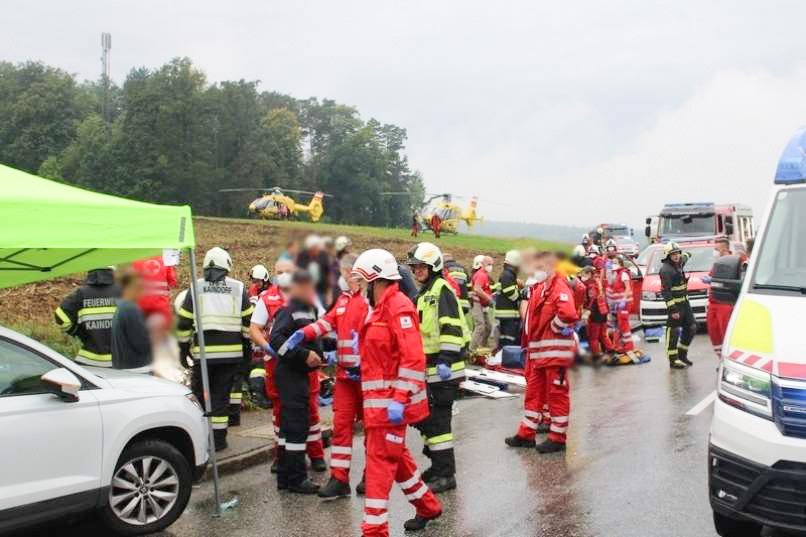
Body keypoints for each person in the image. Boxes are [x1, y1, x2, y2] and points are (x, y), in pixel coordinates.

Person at [351, 248, 443, 535]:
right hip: (379, 407)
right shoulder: (380, 309)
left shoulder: (398, 307)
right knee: (397, 458)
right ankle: (428, 507)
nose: (363, 289)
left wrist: (399, 401)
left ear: (377, 280)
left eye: (365, 283)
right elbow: (383, 356)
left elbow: (413, 359)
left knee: (379, 466)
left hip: (392, 407)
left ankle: (374, 530)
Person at [286, 253, 369, 499]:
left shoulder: (371, 301)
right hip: (345, 377)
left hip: (366, 376)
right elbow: (326, 323)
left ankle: (371, 474)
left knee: (372, 429)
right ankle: (339, 478)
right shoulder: (343, 301)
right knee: (341, 428)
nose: (344, 277)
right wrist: (304, 333)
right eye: (343, 273)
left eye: (347, 273)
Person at [250, 260, 326, 474]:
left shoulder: (308, 297)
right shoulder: (267, 298)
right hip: (278, 363)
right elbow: (254, 329)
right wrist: (267, 347)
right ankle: (281, 455)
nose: (283, 275)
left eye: (287, 272)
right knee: (280, 412)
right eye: (279, 272)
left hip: (304, 363)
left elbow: (321, 326)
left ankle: (316, 454)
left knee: (310, 409)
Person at [407, 242, 469, 493]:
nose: (416, 271)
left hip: (444, 367)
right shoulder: (424, 293)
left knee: (439, 424)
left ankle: (446, 474)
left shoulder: (442, 290)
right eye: (414, 267)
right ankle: (437, 463)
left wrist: (445, 358)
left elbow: (452, 328)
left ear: (432, 265)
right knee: (428, 421)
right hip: (429, 367)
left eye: (421, 266)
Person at [176, 247, 253, 451]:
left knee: (201, 396)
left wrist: (182, 347)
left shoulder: (195, 287)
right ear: (227, 265)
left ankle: (200, 438)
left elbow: (183, 321)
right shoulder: (238, 287)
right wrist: (246, 347)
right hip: (231, 355)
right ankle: (219, 440)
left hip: (204, 355)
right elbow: (248, 321)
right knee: (221, 397)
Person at [506, 251, 578, 453]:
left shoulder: (558, 286)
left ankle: (558, 438)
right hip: (539, 355)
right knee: (533, 393)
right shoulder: (541, 288)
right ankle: (526, 433)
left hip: (555, 353)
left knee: (556, 395)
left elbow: (569, 313)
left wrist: (555, 327)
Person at [270, 270, 325, 494]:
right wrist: (303, 356)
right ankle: (296, 479)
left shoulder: (308, 311)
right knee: (296, 428)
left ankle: (285, 476)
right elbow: (276, 341)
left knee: (290, 428)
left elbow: (315, 340)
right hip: (290, 376)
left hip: (299, 375)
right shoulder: (290, 310)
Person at [54, 266, 119, 368]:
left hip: (88, 362)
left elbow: (61, 317)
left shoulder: (81, 294)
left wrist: (80, 333)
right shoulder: (125, 292)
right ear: (112, 272)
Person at [660, 242, 694, 369]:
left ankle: (682, 355)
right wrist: (672, 309)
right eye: (673, 254)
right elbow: (665, 291)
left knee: (691, 327)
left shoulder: (679, 263)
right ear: (668, 256)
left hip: (685, 303)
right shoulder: (665, 270)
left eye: (677, 253)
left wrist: (688, 254)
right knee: (673, 331)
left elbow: (685, 256)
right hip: (676, 306)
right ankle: (673, 360)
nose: (676, 256)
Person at [705, 237, 740, 358]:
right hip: (713, 303)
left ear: (724, 248)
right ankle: (721, 359)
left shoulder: (735, 262)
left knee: (726, 334)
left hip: (725, 304)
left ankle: (729, 359)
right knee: (714, 334)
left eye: (716, 249)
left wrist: (713, 280)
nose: (714, 252)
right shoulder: (718, 262)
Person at [111, 270, 152, 373]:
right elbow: (143, 344)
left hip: (126, 368)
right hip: (138, 371)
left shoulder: (122, 306)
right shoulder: (131, 309)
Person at [132, 255, 177, 336]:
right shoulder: (165, 258)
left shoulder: (135, 259)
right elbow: (172, 281)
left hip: (141, 308)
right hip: (161, 308)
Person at [583, 260, 615, 361]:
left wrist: (587, 311)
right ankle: (611, 350)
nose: (582, 276)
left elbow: (592, 299)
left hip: (595, 312)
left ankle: (596, 355)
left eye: (584, 273)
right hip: (603, 311)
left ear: (589, 273)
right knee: (603, 334)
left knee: (593, 337)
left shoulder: (590, 284)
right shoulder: (597, 281)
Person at [495, 250, 522, 348]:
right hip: (508, 315)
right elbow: (510, 293)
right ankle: (505, 357)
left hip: (505, 315)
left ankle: (502, 356)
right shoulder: (508, 275)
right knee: (508, 339)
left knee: (504, 338)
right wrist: (521, 295)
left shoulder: (507, 274)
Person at [297, 234, 332, 306]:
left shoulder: (323, 255)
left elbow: (328, 274)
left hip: (321, 291)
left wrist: (329, 293)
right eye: (316, 247)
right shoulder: (302, 255)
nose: (318, 249)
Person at [469, 254, 494, 352]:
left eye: (491, 264)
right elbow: (477, 289)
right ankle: (471, 350)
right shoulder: (481, 275)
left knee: (488, 327)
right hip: (477, 303)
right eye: (489, 264)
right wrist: (489, 298)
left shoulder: (483, 275)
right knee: (480, 326)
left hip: (481, 304)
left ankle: (481, 346)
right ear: (482, 264)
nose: (490, 266)